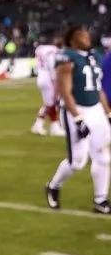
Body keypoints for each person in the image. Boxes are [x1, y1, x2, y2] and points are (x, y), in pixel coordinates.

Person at [44, 26, 111, 213]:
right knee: (78, 162)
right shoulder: (67, 57)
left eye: (87, 34)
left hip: (96, 109)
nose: (86, 37)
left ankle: (101, 200)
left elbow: (98, 89)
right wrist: (78, 119)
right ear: (72, 39)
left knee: (103, 157)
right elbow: (65, 91)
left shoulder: (95, 56)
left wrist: (108, 113)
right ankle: (53, 186)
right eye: (81, 35)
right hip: (77, 109)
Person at [32, 35, 65, 136]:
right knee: (52, 103)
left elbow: (37, 64)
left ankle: (38, 125)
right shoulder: (54, 51)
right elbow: (52, 66)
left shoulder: (40, 49)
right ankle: (54, 127)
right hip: (49, 78)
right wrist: (55, 80)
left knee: (49, 103)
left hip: (41, 77)